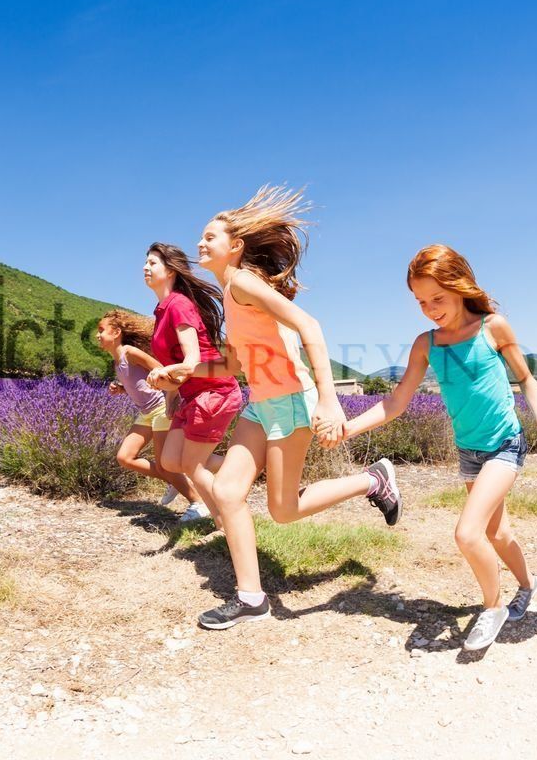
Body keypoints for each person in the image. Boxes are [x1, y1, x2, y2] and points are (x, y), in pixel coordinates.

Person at [155, 185, 401, 630]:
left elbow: (310, 325)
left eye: (210, 236)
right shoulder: (232, 292)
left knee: (283, 510)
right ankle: (251, 599)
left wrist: (328, 399)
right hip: (260, 405)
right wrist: (181, 373)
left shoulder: (244, 282)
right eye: (202, 236)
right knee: (228, 492)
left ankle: (373, 480)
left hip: (290, 403)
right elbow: (233, 362)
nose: (200, 243)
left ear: (237, 245)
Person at [325, 244, 537, 651]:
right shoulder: (425, 344)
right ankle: (529, 586)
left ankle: (493, 607)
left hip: (504, 443)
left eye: (437, 298)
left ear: (460, 287)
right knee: (497, 533)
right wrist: (348, 428)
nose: (429, 308)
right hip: (469, 451)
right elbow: (395, 402)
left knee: (467, 532)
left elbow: (527, 380)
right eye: (421, 301)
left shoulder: (493, 328)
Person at [143, 242, 241, 526]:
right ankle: (241, 470)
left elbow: (191, 361)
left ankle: (226, 524)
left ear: (171, 269)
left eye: (152, 263)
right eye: (146, 263)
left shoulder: (179, 304)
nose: (145, 268)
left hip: (215, 391)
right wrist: (171, 398)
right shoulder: (162, 310)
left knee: (193, 465)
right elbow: (180, 370)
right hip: (193, 396)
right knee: (171, 461)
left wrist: (162, 373)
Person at [95, 309, 203, 521]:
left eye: (101, 330)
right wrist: (122, 389)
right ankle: (173, 479)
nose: (97, 335)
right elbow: (140, 383)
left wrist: (174, 398)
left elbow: (162, 371)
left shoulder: (130, 352)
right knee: (125, 457)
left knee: (164, 464)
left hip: (161, 408)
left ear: (116, 332)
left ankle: (198, 503)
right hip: (145, 413)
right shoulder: (117, 361)